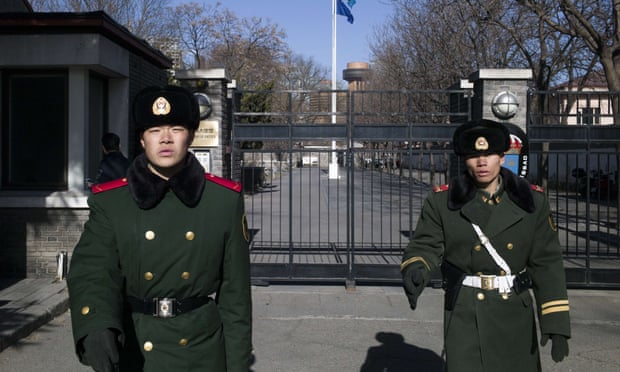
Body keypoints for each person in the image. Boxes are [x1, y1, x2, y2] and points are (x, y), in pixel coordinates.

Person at [67, 85, 252, 371]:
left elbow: (235, 298)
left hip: (200, 353)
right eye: (154, 130)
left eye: (176, 128)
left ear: (190, 135)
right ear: (141, 139)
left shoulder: (223, 201)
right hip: (137, 349)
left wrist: (237, 366)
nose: (165, 138)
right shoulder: (112, 201)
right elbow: (94, 270)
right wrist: (96, 324)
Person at [401, 119, 570, 372]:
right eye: (474, 155)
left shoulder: (531, 201)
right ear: (465, 159)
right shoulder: (442, 202)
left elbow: (547, 263)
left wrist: (555, 322)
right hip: (466, 311)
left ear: (502, 157)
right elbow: (424, 244)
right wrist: (417, 267)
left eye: (489, 154)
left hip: (514, 311)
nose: (482, 162)